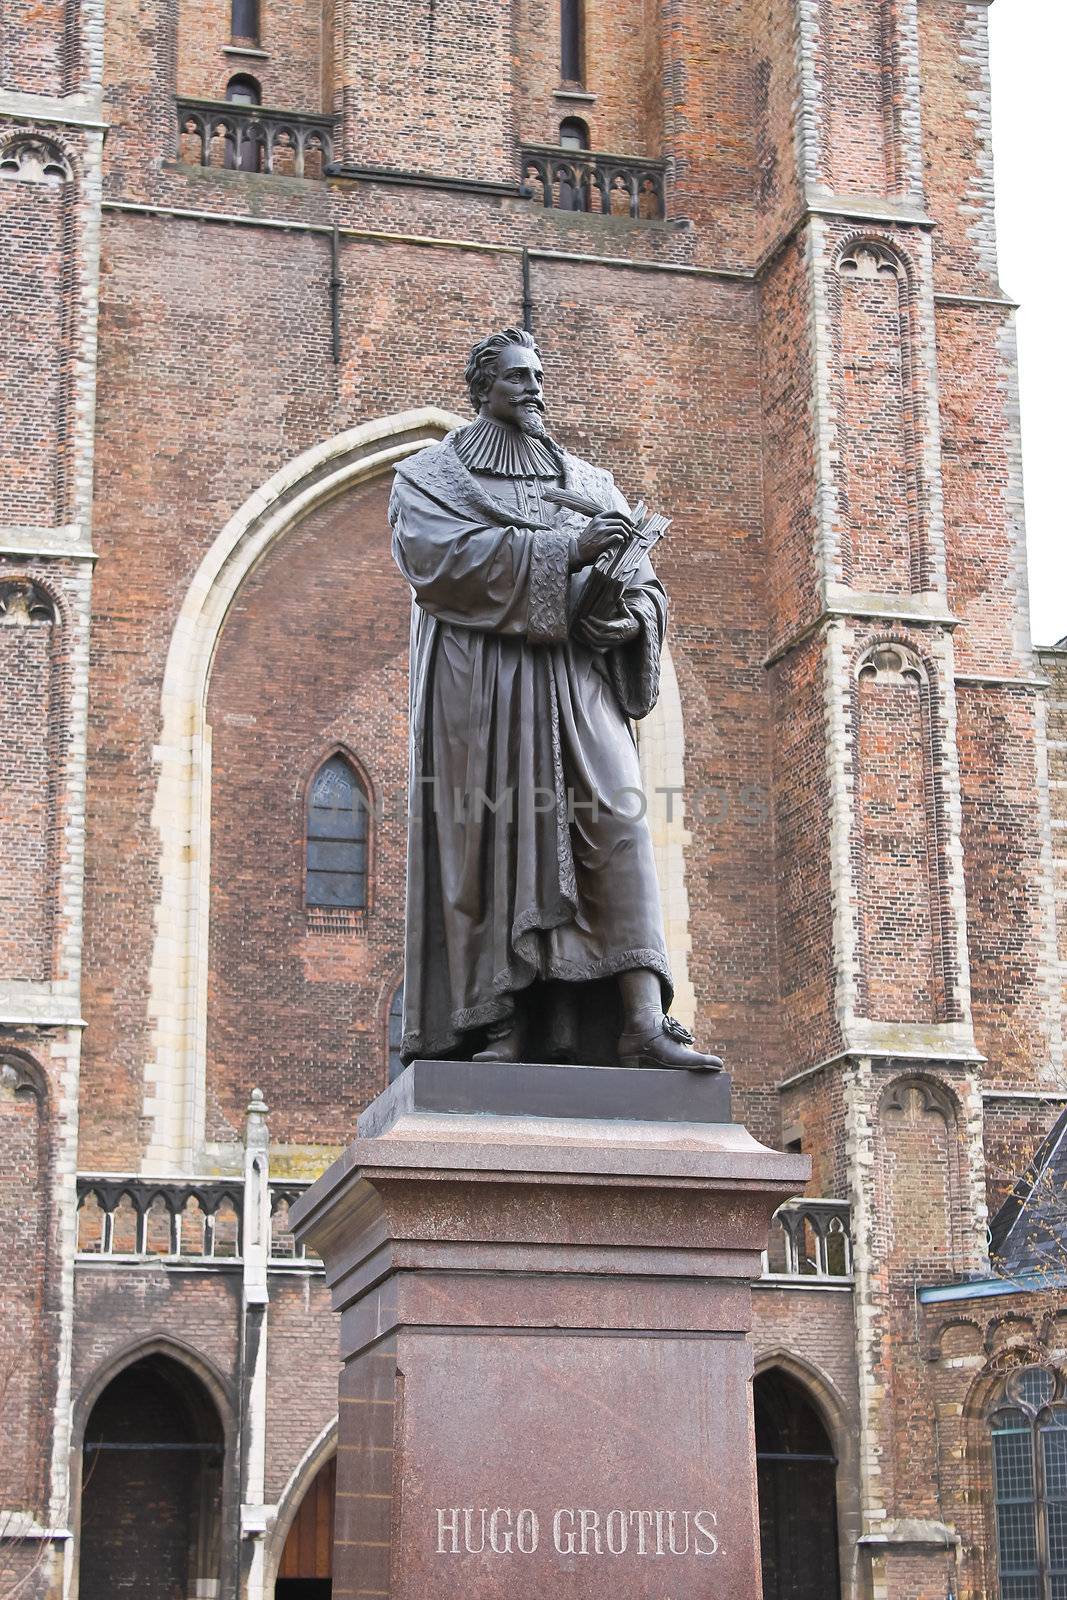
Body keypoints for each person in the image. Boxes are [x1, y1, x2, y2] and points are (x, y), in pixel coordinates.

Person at [390, 327, 722, 1072]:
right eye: (516, 377)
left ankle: (641, 1022)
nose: (534, 387)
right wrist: (564, 554)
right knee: (497, 842)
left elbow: (643, 596)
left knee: (618, 825)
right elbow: (437, 562)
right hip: (483, 684)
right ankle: (499, 1026)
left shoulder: (591, 482)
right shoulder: (432, 478)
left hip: (577, 684)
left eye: (539, 375)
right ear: (482, 388)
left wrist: (618, 600)